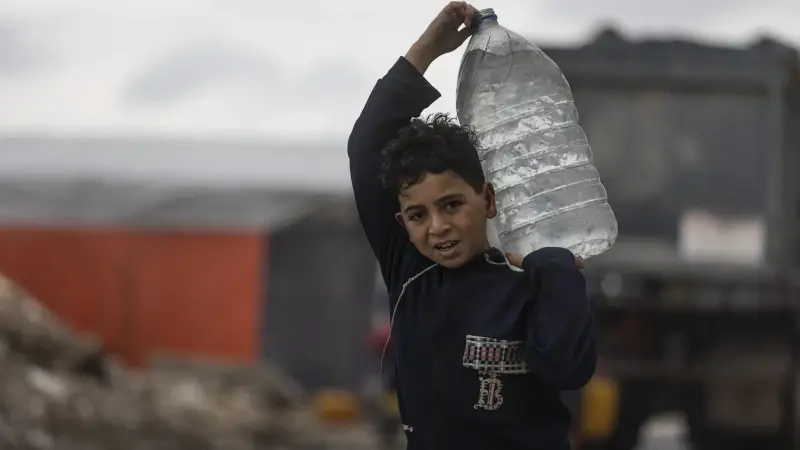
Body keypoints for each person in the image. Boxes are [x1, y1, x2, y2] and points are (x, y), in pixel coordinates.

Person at [347, 2, 596, 449]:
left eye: (452, 204)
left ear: (488, 199)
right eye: (418, 215)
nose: (438, 227)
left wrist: (556, 271)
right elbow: (367, 143)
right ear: (401, 221)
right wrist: (425, 50)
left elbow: (568, 369)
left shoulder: (528, 279)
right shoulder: (408, 270)